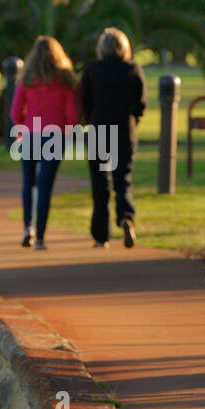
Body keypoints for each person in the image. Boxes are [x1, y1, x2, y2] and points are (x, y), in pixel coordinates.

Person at [77, 27, 146, 248]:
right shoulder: (132, 69)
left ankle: (101, 235)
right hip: (124, 129)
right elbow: (140, 101)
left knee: (100, 184)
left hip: (99, 128)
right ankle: (126, 216)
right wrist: (135, 118)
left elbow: (84, 100)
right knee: (122, 179)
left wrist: (90, 119)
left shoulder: (91, 69)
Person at [10, 36, 78, 250]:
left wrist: (25, 126)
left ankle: (26, 227)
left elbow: (14, 114)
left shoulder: (27, 80)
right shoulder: (66, 80)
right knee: (45, 187)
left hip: (30, 135)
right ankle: (40, 237)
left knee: (28, 183)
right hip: (55, 136)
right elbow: (73, 115)